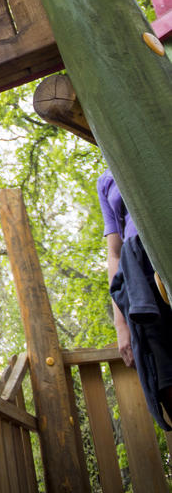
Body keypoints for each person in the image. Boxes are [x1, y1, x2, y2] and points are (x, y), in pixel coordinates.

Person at [97, 170, 172, 430]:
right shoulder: (106, 180)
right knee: (166, 376)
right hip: (142, 280)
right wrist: (121, 325)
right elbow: (114, 254)